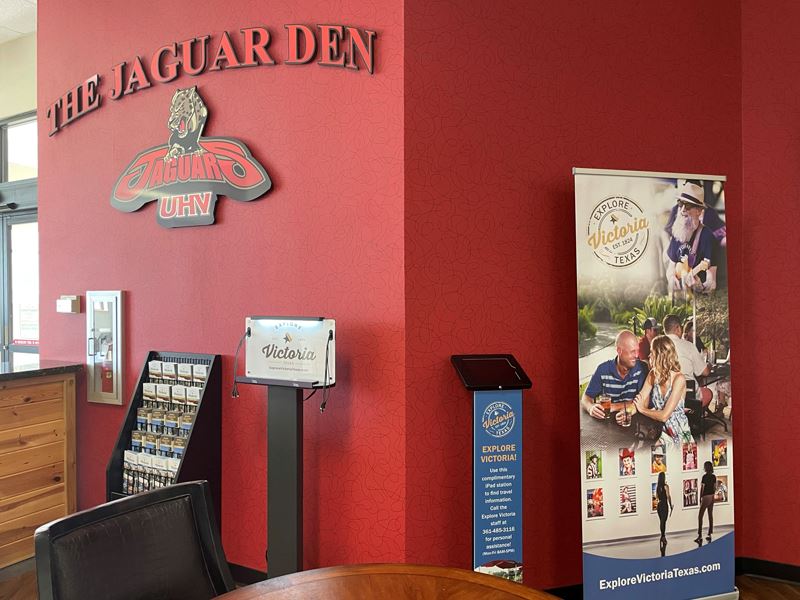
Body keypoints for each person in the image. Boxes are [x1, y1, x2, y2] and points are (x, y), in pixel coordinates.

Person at [633, 335, 694, 446]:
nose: (649, 355)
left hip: (680, 434)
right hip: (662, 432)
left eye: (652, 352)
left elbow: (664, 415)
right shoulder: (653, 374)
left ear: (660, 356)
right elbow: (639, 399)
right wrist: (626, 412)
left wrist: (642, 409)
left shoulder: (679, 379)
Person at [581, 330, 648, 425]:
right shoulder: (602, 370)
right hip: (606, 424)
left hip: (632, 423)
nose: (637, 355)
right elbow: (586, 397)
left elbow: (643, 403)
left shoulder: (641, 369)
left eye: (637, 350)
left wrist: (613, 406)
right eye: (633, 351)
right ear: (619, 351)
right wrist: (590, 408)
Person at [665, 180, 718, 295]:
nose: (683, 209)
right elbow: (671, 267)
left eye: (688, 206)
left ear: (699, 211)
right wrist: (671, 279)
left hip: (697, 298)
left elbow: (712, 282)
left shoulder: (707, 236)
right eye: (680, 204)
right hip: (681, 296)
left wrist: (701, 287)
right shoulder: (676, 232)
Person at [663, 315, 710, 385]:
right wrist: (710, 366)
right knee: (709, 393)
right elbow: (705, 372)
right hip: (687, 392)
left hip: (665, 391)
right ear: (678, 328)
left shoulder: (657, 347)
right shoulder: (688, 346)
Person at [697, 461, 716, 543]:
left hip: (706, 496)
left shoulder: (704, 477)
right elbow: (714, 487)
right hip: (712, 496)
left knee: (700, 516)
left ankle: (700, 535)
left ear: (706, 467)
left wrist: (700, 497)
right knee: (710, 515)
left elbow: (702, 488)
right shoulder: (713, 476)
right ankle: (709, 533)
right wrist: (712, 495)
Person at [655, 472, 673, 549]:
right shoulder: (666, 486)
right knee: (663, 522)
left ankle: (662, 536)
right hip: (664, 505)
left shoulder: (657, 487)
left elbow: (656, 497)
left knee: (661, 522)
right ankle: (663, 537)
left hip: (659, 505)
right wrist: (671, 505)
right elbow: (668, 496)